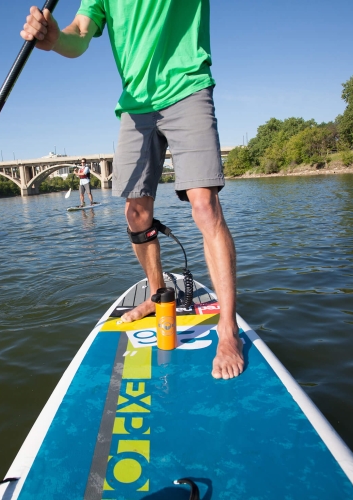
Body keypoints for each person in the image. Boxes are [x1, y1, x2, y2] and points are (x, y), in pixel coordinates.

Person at [21, 1, 244, 379]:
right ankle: (159, 299)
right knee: (135, 214)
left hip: (187, 87)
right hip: (135, 105)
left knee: (204, 206)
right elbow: (79, 34)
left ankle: (228, 328)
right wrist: (55, 37)